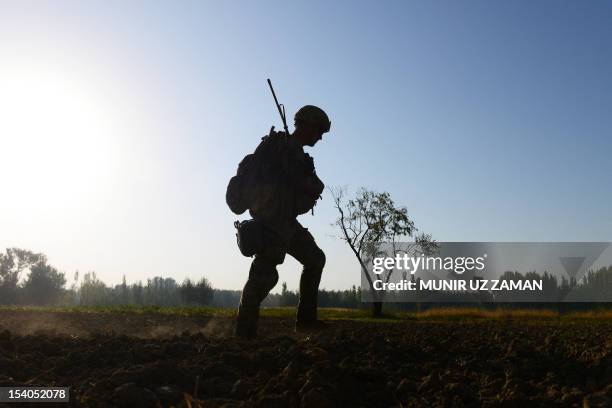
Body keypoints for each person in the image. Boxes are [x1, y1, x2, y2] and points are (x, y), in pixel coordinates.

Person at [235, 105, 331, 338]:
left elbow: (312, 186)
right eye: (318, 130)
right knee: (263, 278)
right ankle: (244, 334)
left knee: (315, 259)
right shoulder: (276, 147)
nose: (319, 137)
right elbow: (261, 177)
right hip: (271, 222)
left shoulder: (300, 157)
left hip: (287, 222)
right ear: (306, 125)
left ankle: (306, 322)